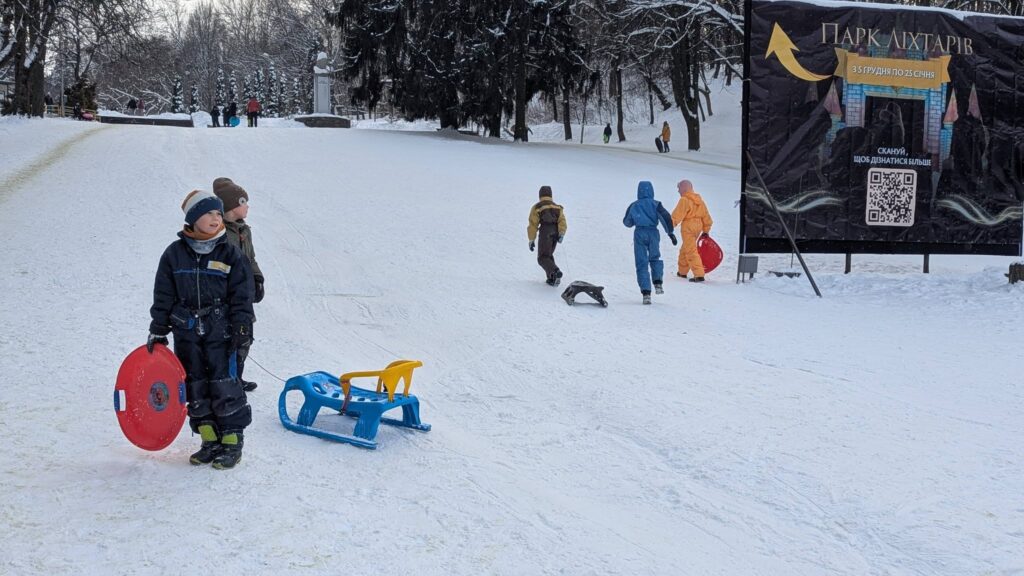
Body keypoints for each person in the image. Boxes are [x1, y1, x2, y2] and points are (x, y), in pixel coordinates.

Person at [147, 189, 254, 469]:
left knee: (225, 383)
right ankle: (209, 439)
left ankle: (232, 441)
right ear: (193, 218)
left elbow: (242, 295)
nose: (216, 218)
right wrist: (159, 328)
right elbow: (163, 294)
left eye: (219, 213)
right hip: (187, 332)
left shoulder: (230, 254)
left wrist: (243, 326)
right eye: (209, 213)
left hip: (223, 331)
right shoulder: (174, 255)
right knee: (194, 385)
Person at [213, 177, 264, 391]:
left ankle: (237, 376)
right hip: (227, 294)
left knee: (245, 334)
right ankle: (225, 377)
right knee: (227, 335)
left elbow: (250, 258)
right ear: (234, 205)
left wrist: (258, 278)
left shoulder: (245, 231)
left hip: (245, 292)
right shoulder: (220, 231)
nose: (248, 207)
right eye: (244, 202)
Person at [623, 181, 677, 304]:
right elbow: (665, 218)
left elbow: (627, 223)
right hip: (653, 233)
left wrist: (636, 217)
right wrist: (670, 233)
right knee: (655, 257)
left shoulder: (634, 205)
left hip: (639, 233)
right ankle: (658, 282)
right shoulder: (656, 204)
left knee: (641, 262)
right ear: (652, 191)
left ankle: (646, 292)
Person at [671, 180, 713, 282]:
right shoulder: (700, 201)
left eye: (679, 188)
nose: (678, 191)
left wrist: (670, 224)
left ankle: (699, 274)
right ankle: (682, 272)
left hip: (688, 227)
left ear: (684, 188)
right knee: (685, 248)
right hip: (698, 227)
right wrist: (706, 230)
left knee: (691, 250)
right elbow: (706, 217)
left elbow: (677, 215)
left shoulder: (684, 200)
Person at [527, 185, 567, 286]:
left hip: (545, 232)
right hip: (555, 232)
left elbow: (533, 224)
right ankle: (552, 278)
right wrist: (561, 233)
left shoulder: (537, 207)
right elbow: (562, 221)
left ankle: (555, 272)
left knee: (542, 258)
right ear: (551, 195)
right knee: (548, 255)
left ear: (540, 195)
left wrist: (531, 239)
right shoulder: (557, 207)